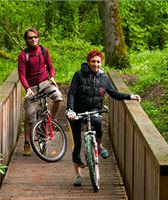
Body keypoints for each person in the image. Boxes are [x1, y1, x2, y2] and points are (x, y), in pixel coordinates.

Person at [66, 50, 141, 186]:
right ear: (88, 62)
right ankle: (78, 176)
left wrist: (130, 96)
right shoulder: (78, 75)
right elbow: (71, 93)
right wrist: (70, 110)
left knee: (98, 122)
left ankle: (98, 146)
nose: (96, 64)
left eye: (98, 62)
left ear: (101, 63)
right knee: (76, 144)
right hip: (77, 111)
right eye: (93, 61)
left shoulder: (104, 78)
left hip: (94, 109)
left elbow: (114, 94)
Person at [18, 28, 63, 156]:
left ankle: (52, 121)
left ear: (38, 38)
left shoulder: (44, 50)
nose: (33, 39)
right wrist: (27, 89)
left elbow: (50, 66)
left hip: (45, 82)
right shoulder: (23, 55)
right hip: (31, 87)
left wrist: (52, 77)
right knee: (29, 117)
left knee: (58, 97)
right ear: (26, 40)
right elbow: (21, 75)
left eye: (35, 37)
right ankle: (27, 143)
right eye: (30, 37)